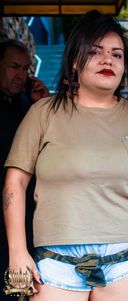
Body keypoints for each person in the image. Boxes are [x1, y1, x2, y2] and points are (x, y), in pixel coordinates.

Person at [2, 10, 128, 301]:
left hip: (126, 257)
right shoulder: (44, 113)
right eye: (96, 51)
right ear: (76, 61)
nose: (108, 60)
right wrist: (17, 249)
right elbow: (15, 183)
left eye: (117, 54)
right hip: (56, 259)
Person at [0, 39, 49, 301]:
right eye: (14, 67)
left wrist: (43, 104)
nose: (22, 75)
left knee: (21, 285)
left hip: (24, 208)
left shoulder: (29, 104)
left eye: (26, 68)